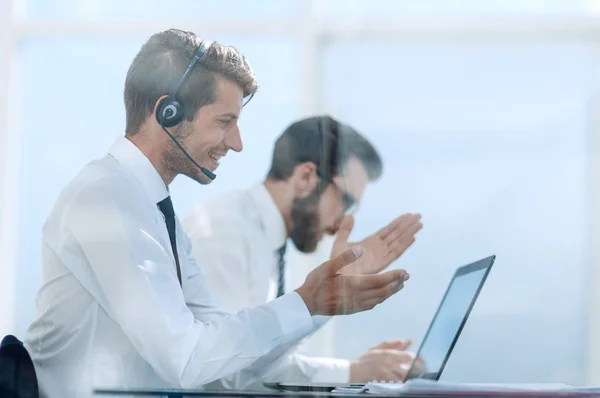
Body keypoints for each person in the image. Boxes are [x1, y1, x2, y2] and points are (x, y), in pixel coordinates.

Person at [22, 29, 410, 398]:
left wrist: (320, 301)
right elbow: (186, 361)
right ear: (168, 113)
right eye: (225, 122)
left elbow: (226, 366)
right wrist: (308, 302)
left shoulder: (156, 212)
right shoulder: (106, 196)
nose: (237, 144)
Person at [181, 115, 423, 384]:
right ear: (306, 176)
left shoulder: (263, 240)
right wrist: (322, 302)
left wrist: (354, 369)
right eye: (346, 201)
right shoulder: (224, 234)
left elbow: (257, 363)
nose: (343, 222)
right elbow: (223, 375)